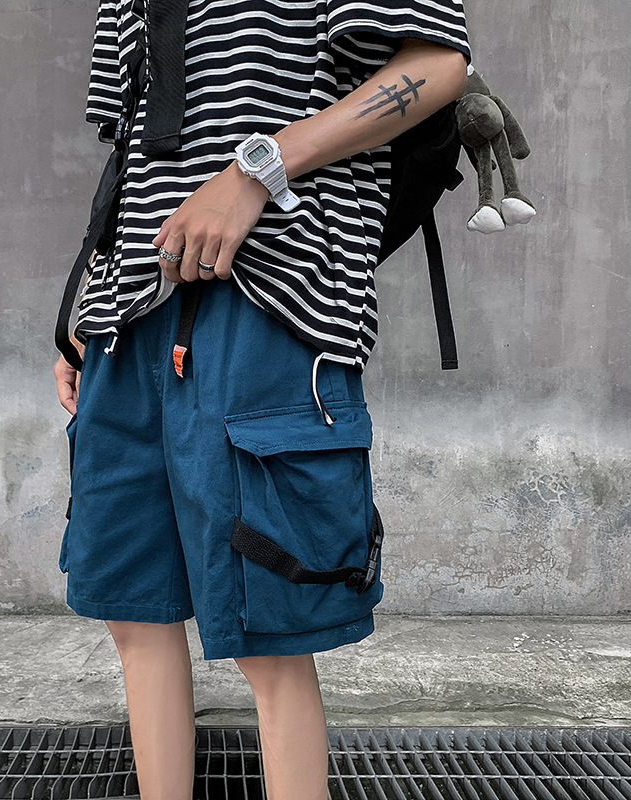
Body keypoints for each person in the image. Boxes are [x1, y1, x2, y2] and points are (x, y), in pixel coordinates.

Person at [53, 2, 471, 798]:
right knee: (133, 611)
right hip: (129, 309)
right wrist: (86, 302)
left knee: (269, 633)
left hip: (271, 300)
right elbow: (142, 142)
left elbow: (439, 64)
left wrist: (255, 172)